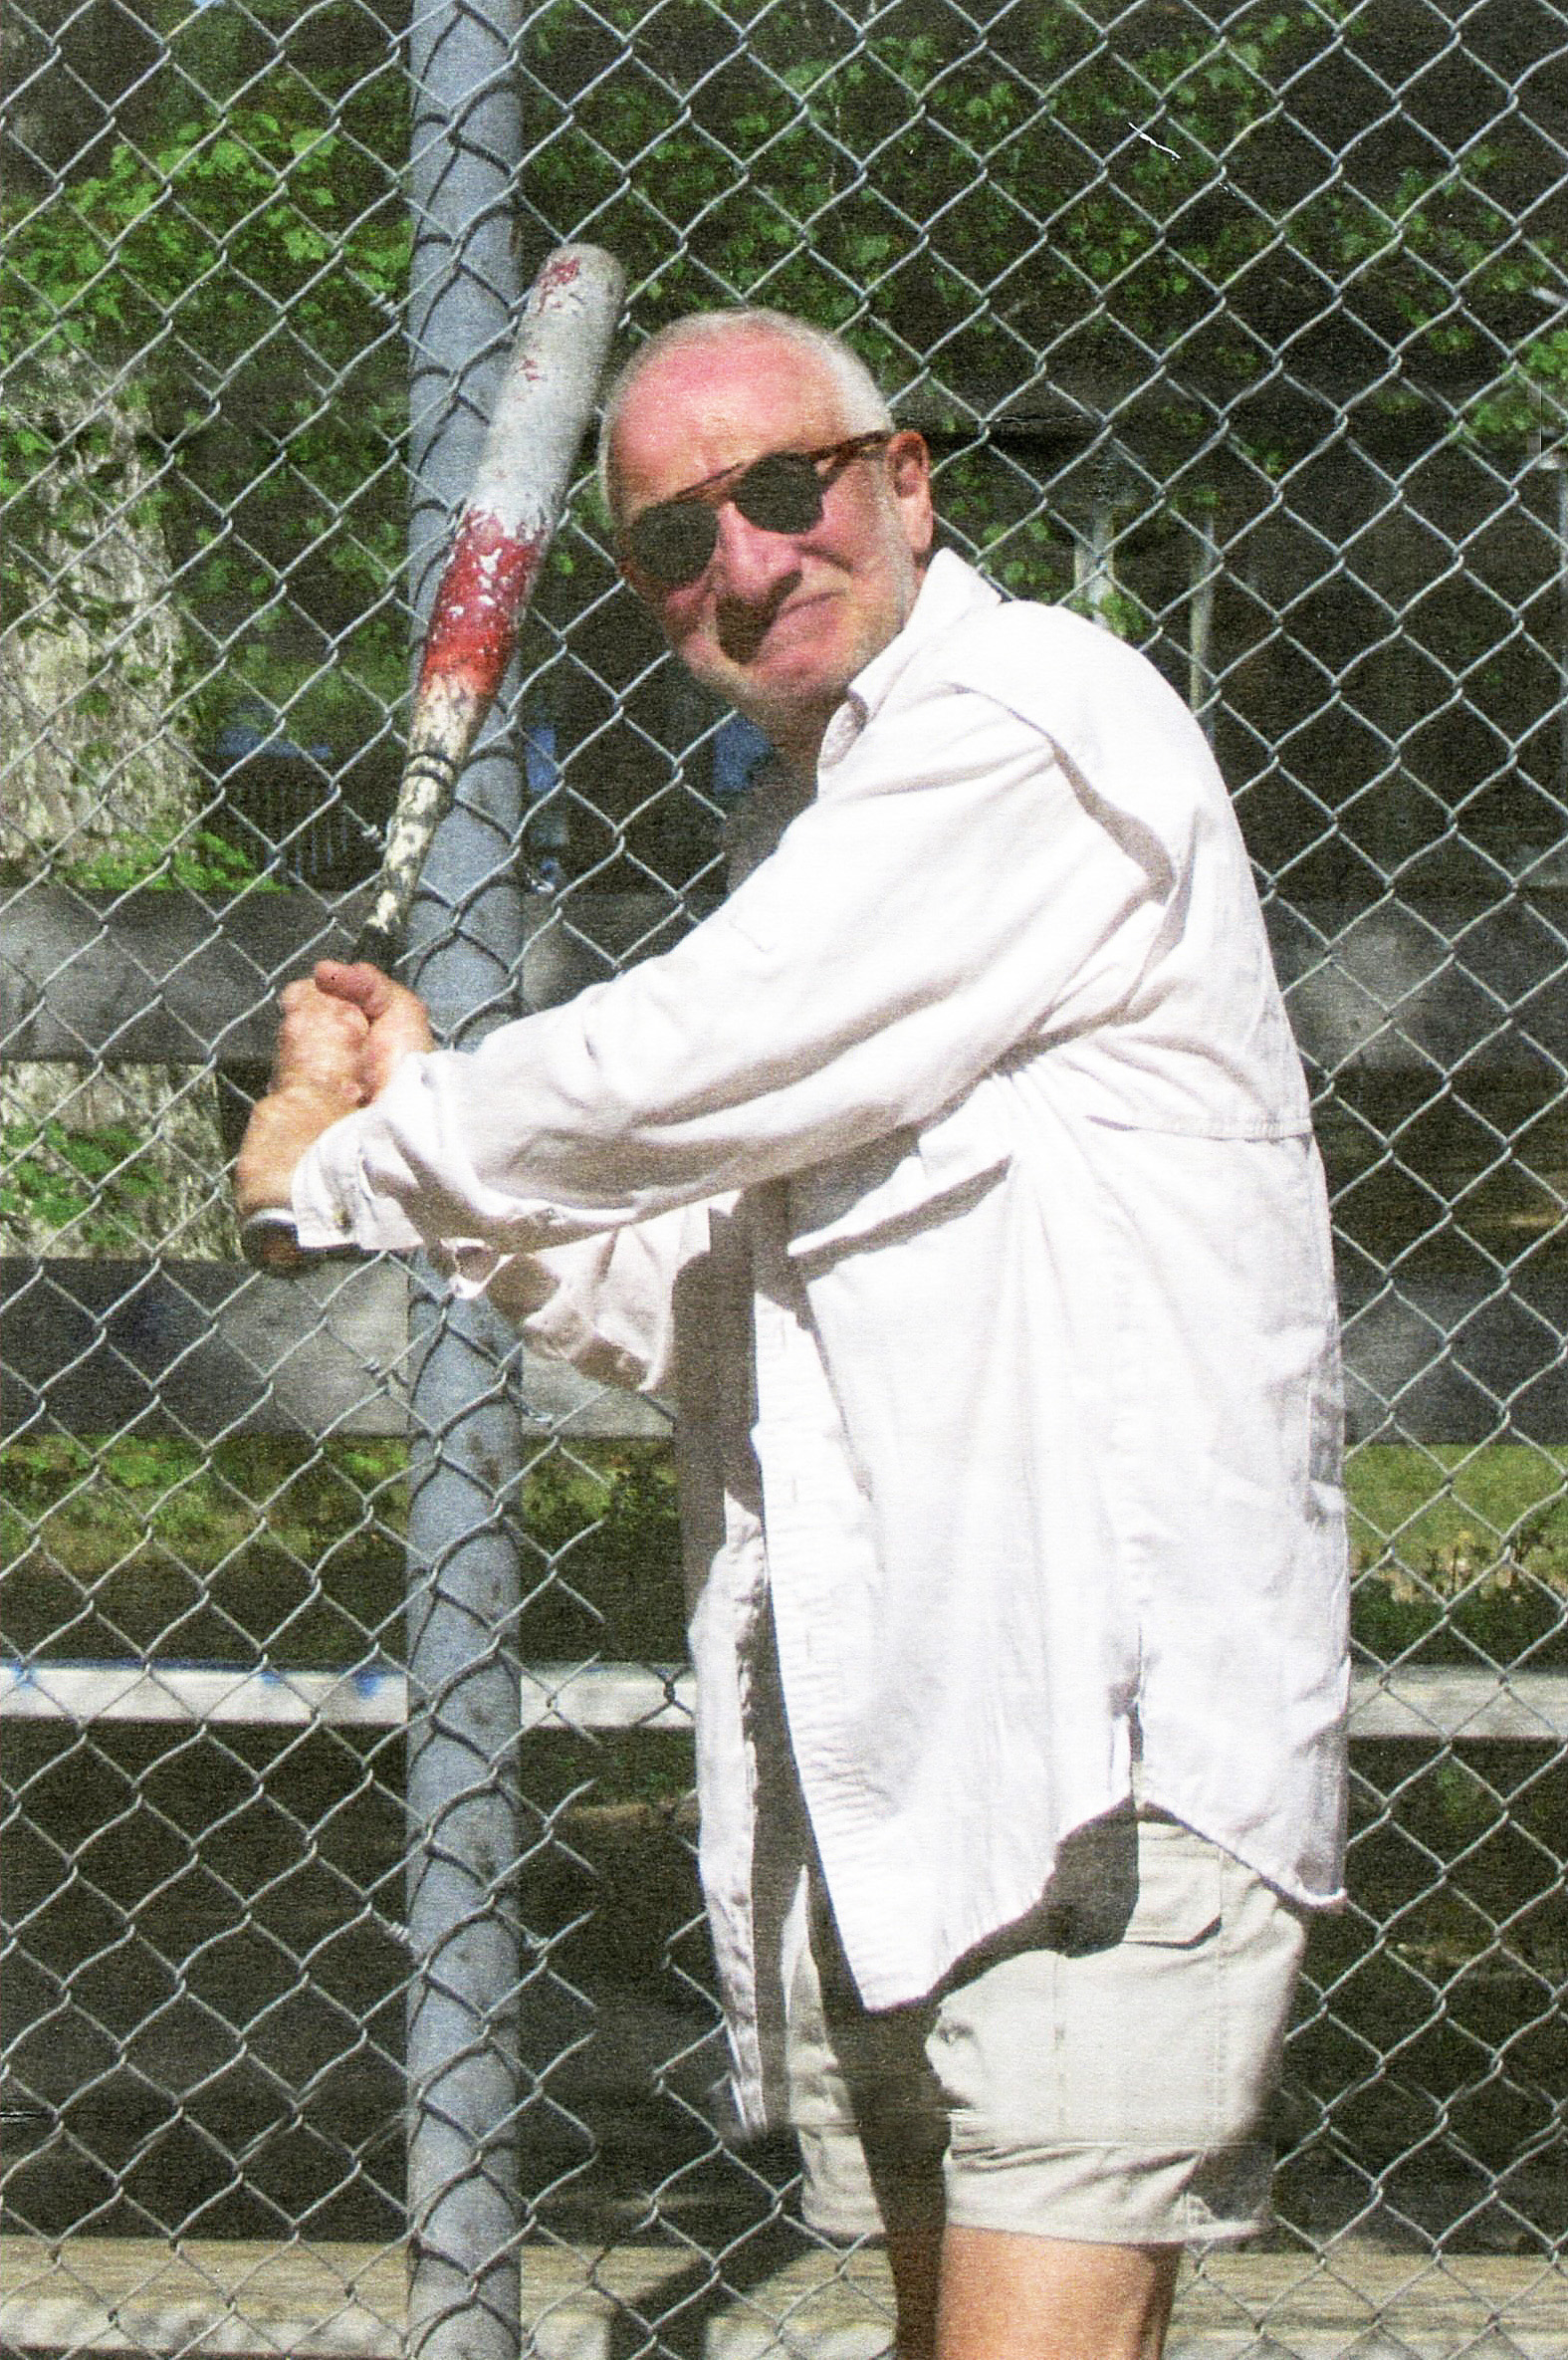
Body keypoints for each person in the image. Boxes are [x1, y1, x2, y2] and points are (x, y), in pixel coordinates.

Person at [235, 309, 1349, 2360]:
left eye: (780, 488)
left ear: (904, 483)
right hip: (904, 1746)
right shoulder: (821, 835)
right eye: (676, 538)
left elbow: (711, 1045)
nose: (743, 561)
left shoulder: (1029, 719)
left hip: (1095, 1732)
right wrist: (424, 1124)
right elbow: (702, 1298)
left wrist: (358, 1164)